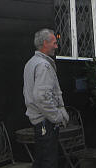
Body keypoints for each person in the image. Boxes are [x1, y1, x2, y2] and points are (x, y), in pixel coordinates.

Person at [23, 28, 69, 168]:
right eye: (54, 43)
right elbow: (42, 96)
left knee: (41, 161)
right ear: (45, 43)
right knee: (49, 161)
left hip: (39, 121)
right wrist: (57, 116)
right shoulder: (43, 65)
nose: (56, 46)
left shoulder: (31, 63)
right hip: (46, 122)